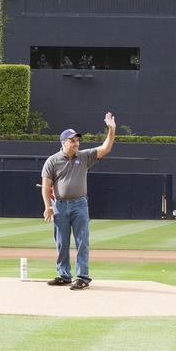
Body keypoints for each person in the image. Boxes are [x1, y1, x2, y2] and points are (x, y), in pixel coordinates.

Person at [41, 116, 116, 290]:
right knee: (61, 242)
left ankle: (82, 277)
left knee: (82, 241)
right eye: (72, 141)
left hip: (79, 204)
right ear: (63, 142)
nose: (76, 143)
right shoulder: (52, 161)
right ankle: (64, 275)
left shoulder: (84, 156)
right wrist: (48, 206)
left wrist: (111, 129)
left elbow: (106, 148)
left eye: (77, 140)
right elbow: (46, 187)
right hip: (59, 205)